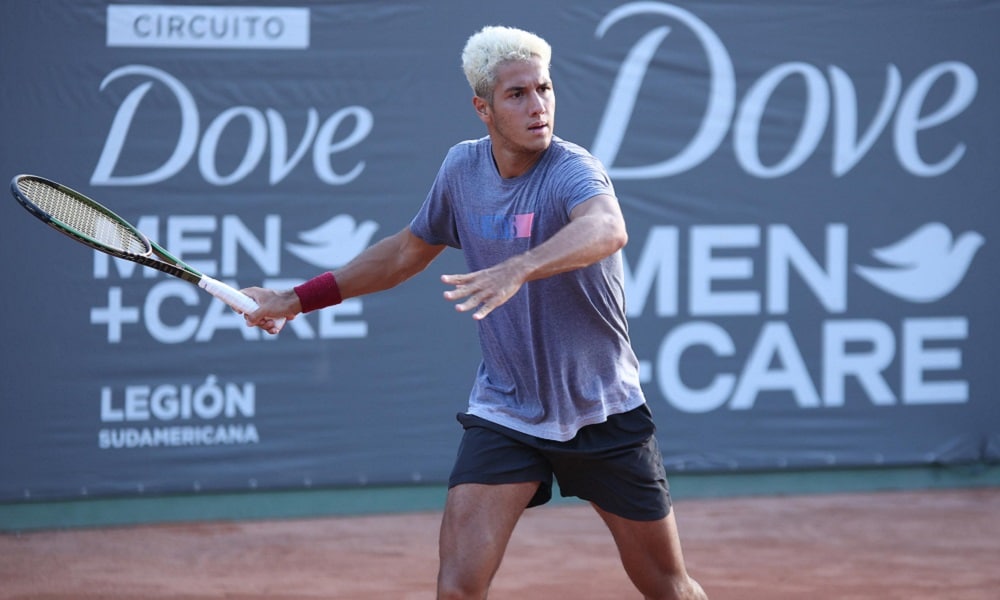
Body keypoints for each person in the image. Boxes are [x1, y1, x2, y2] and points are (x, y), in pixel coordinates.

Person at [243, 25, 708, 600]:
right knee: (458, 587)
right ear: (482, 107)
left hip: (602, 409)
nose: (538, 106)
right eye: (517, 94)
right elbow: (407, 251)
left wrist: (519, 266)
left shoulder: (571, 168)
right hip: (508, 411)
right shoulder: (462, 170)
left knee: (667, 586)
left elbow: (607, 228)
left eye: (544, 88)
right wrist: (295, 298)